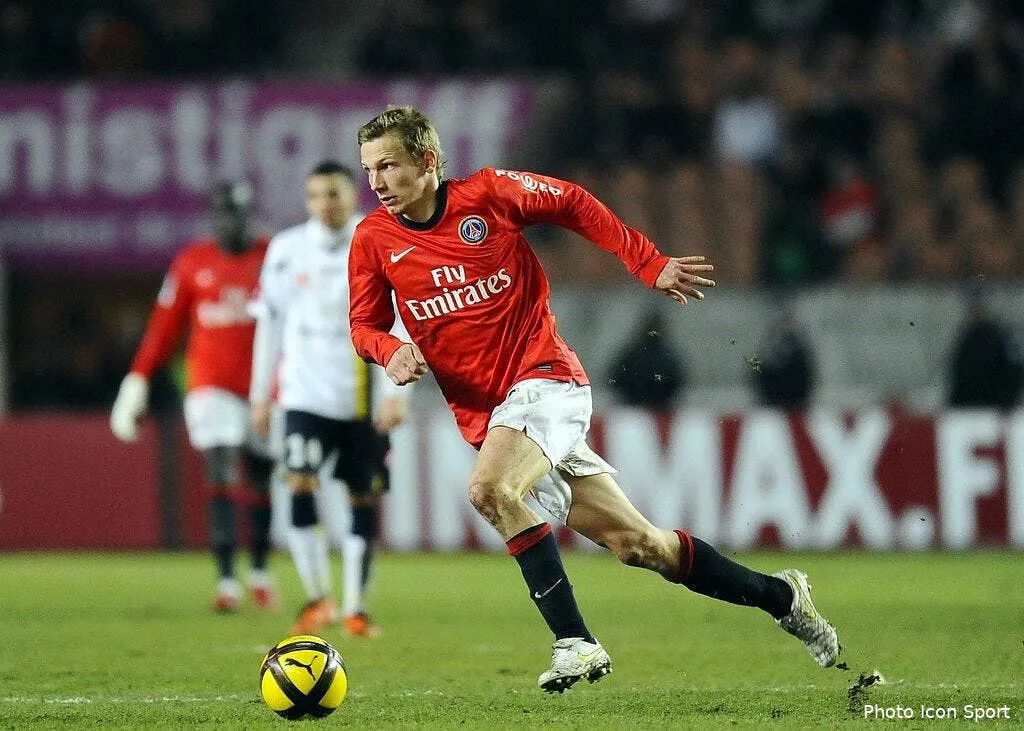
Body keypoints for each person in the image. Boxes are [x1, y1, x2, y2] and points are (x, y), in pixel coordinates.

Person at [347, 106, 840, 693]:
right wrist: (388, 350)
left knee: (490, 490)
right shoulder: (374, 239)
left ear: (427, 161)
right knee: (641, 547)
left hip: (546, 381)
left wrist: (648, 262)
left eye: (389, 165)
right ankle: (783, 596)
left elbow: (574, 203)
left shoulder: (490, 195)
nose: (376, 182)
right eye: (369, 169)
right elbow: (363, 324)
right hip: (489, 416)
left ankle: (575, 643)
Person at [249, 160, 411, 639]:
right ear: (306, 200)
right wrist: (261, 395)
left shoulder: (379, 239)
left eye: (335, 194)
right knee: (299, 483)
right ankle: (319, 598)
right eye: (316, 195)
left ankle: (356, 607)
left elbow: (402, 317)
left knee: (363, 496)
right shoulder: (285, 249)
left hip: (361, 393)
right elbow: (269, 324)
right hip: (302, 393)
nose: (326, 204)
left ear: (352, 195)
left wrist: (395, 390)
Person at [110, 181, 279, 613]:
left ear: (250, 214)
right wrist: (138, 381)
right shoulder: (192, 262)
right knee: (221, 467)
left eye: (240, 213)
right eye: (226, 213)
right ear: (215, 216)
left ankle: (259, 571)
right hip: (210, 385)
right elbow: (164, 327)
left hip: (267, 388)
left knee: (261, 476)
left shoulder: (275, 256)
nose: (234, 221)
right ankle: (226, 581)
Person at [948, 288, 1024, 408]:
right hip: (967, 408)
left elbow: (1014, 373)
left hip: (995, 409)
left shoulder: (1003, 337)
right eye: (973, 307)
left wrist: (1007, 404)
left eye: (979, 307)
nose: (976, 311)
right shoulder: (966, 337)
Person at [607, 309, 687, 409]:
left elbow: (616, 377)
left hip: (634, 408)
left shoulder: (632, 354)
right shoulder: (667, 356)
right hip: (658, 409)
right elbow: (677, 380)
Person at [752, 304, 816, 409]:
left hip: (796, 399)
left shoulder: (800, 344)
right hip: (769, 399)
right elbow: (757, 368)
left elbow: (806, 371)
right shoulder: (767, 344)